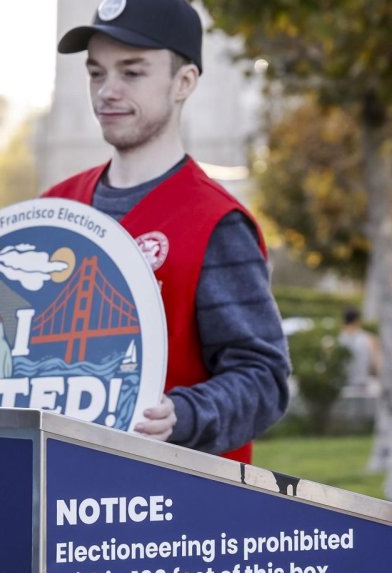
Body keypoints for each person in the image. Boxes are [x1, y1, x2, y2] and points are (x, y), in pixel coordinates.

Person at [41, 0, 290, 463]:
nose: (106, 92)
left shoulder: (215, 222)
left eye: (131, 73)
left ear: (184, 82)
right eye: (97, 73)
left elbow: (264, 378)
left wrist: (182, 415)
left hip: (170, 518)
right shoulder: (51, 210)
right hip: (61, 498)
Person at [338, 307, 380, 395]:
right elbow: (376, 364)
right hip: (362, 386)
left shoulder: (336, 340)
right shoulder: (369, 339)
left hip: (341, 386)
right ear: (358, 320)